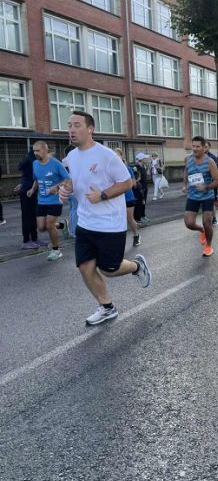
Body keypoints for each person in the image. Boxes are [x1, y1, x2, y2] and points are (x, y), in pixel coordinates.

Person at [59, 111, 151, 325]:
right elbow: (76, 181)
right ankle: (107, 307)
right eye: (69, 125)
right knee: (85, 267)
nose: (71, 130)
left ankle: (136, 266)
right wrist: (66, 189)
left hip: (109, 224)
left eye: (77, 125)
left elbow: (127, 183)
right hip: (85, 222)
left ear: (90, 129)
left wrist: (102, 195)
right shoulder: (71, 157)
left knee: (109, 269)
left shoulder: (107, 155)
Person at [27, 141, 70, 260]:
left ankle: (56, 250)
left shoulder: (56, 163)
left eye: (38, 150)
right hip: (41, 200)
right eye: (34, 151)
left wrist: (57, 186)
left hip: (55, 200)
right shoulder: (35, 164)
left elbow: (68, 179)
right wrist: (32, 189)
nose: (35, 153)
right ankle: (62, 225)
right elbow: (37, 179)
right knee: (41, 227)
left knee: (50, 224)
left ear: (46, 150)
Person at [182, 136, 218, 257]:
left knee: (207, 222)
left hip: (207, 196)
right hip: (193, 195)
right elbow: (186, 172)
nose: (195, 148)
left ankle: (208, 246)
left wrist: (206, 187)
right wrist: (185, 185)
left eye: (198, 146)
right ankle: (201, 230)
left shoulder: (210, 162)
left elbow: (217, 181)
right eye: (193, 146)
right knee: (189, 223)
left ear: (204, 148)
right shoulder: (188, 159)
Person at [14, 148, 40, 248]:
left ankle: (33, 239)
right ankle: (26, 241)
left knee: (31, 215)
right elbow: (34, 176)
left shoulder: (27, 159)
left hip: (26, 188)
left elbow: (25, 174)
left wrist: (22, 183)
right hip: (28, 191)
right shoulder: (33, 161)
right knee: (28, 216)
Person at [114, 148, 141, 246]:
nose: (115, 157)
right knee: (117, 221)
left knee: (129, 219)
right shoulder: (110, 168)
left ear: (121, 156)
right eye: (114, 155)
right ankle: (118, 241)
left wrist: (122, 186)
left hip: (128, 197)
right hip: (115, 198)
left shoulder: (127, 168)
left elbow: (133, 184)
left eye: (117, 155)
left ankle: (136, 235)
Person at [133, 153, 150, 222]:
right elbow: (135, 179)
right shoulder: (136, 167)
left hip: (144, 188)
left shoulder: (143, 167)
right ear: (142, 159)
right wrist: (138, 179)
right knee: (138, 203)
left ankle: (143, 215)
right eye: (145, 158)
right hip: (138, 189)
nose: (146, 159)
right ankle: (138, 217)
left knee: (143, 202)